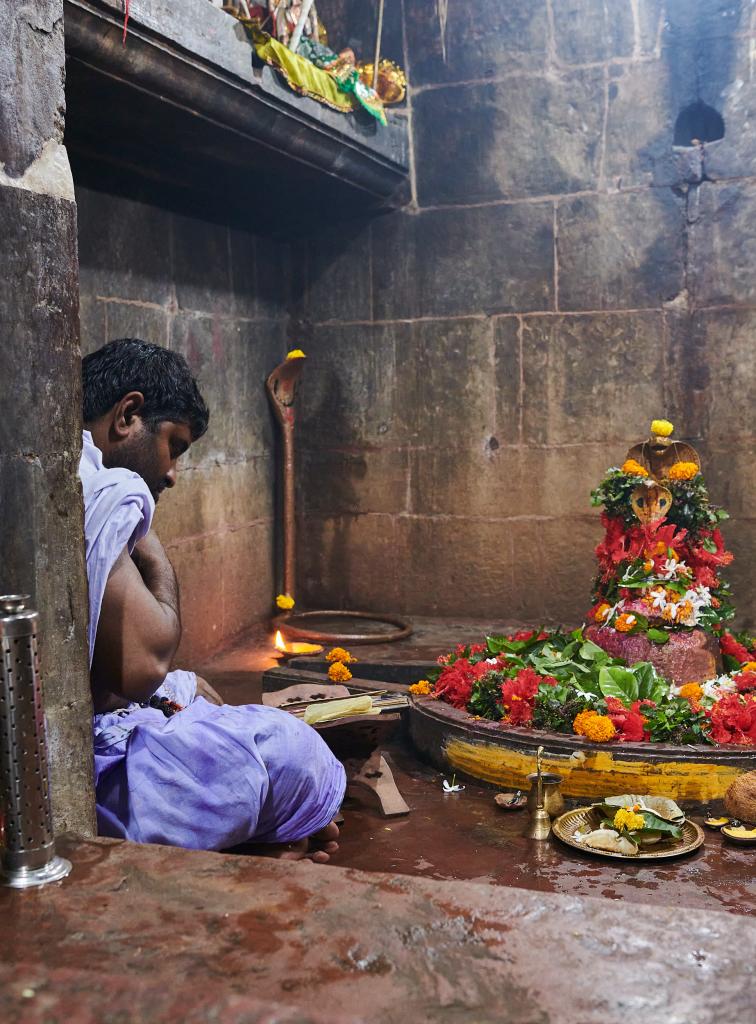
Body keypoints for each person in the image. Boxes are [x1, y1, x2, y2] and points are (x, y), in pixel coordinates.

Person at [80, 338, 345, 860]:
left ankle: (253, 831)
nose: (173, 474)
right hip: (71, 764)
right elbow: (143, 664)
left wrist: (174, 689)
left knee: (204, 703)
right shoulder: (101, 491)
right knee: (289, 749)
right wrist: (147, 542)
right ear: (128, 415)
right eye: (174, 446)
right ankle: (252, 840)